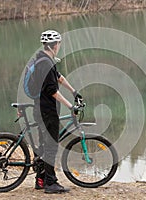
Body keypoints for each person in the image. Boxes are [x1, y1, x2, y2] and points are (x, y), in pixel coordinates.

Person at [32, 30, 82, 193]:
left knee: (44, 146)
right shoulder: (45, 63)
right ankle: (51, 183)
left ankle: (40, 180)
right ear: (55, 45)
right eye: (59, 43)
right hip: (46, 111)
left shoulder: (45, 59)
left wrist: (74, 91)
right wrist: (70, 106)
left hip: (41, 109)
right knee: (51, 146)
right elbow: (52, 90)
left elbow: (59, 77)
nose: (59, 46)